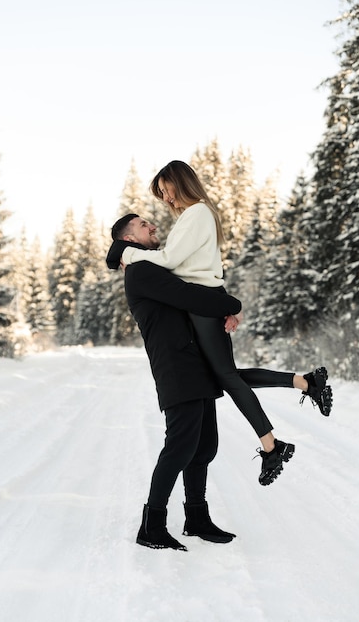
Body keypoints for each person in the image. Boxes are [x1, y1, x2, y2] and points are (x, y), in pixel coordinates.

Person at [114, 161, 333, 486]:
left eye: (166, 190)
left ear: (179, 182)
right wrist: (224, 300)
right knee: (221, 376)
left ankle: (273, 442)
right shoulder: (196, 215)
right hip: (204, 301)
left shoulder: (197, 213)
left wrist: (127, 253)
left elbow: (172, 262)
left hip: (202, 304)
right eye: (161, 195)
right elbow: (204, 266)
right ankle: (305, 385)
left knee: (227, 377)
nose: (166, 199)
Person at [106, 213, 244, 551]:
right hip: (176, 367)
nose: (152, 226)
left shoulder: (151, 267)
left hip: (193, 363)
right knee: (180, 447)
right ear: (128, 239)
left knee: (205, 445)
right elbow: (191, 297)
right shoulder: (142, 272)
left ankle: (196, 517)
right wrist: (233, 304)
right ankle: (151, 526)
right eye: (143, 225)